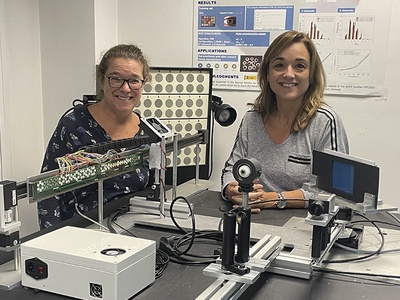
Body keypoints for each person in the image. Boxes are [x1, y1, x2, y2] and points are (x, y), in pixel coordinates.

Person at [221, 30, 349, 211]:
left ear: (311, 74)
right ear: (267, 73)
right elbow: (231, 169)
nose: (289, 74)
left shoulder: (324, 121)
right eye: (279, 65)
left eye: (299, 66)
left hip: (305, 229)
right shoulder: (252, 119)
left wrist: (272, 199)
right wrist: (231, 190)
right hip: (254, 221)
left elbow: (333, 190)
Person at [38, 44, 152, 229]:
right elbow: (48, 191)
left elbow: (153, 188)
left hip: (133, 229)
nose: (125, 88)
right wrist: (52, 242)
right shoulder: (74, 125)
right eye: (116, 79)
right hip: (81, 230)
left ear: (143, 83)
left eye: (134, 80)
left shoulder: (147, 131)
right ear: (101, 78)